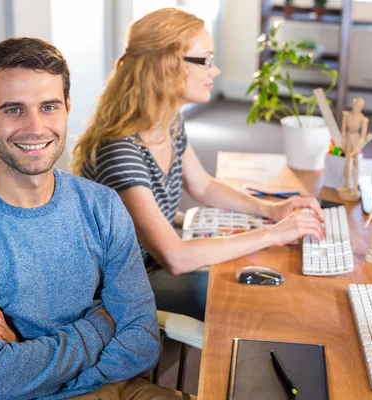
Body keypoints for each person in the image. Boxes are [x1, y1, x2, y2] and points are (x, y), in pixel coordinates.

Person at [0, 37, 194, 400]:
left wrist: (26, 356)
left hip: (117, 386)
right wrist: (102, 321)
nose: (35, 127)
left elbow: (141, 343)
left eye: (48, 107)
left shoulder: (102, 205)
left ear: (67, 107)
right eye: (14, 110)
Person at [72, 8, 324, 321]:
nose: (215, 71)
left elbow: (202, 185)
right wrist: (273, 234)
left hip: (152, 264)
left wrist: (271, 211)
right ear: (168, 66)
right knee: (249, 292)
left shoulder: (167, 122)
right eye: (205, 60)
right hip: (122, 292)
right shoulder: (121, 152)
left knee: (256, 267)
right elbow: (175, 258)